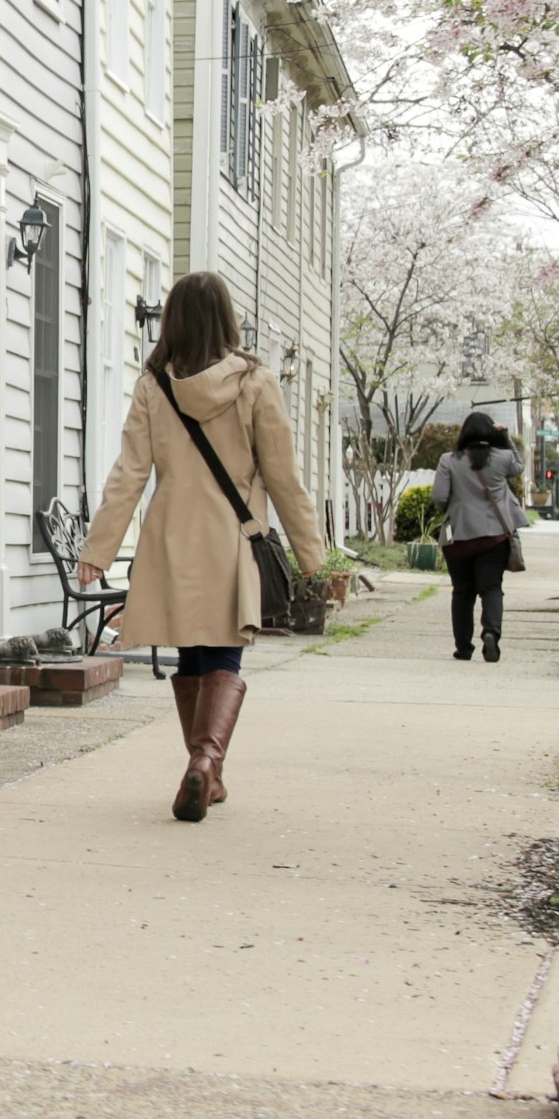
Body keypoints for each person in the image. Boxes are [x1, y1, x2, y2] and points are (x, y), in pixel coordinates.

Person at [73, 271, 330, 824]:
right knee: (224, 649)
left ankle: (205, 768)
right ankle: (207, 760)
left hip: (170, 539)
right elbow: (283, 478)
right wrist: (315, 557)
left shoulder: (152, 385)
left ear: (173, 321)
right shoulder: (256, 383)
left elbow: (129, 474)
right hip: (231, 539)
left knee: (192, 651)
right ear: (226, 318)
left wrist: (99, 548)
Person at [435, 410, 527, 663]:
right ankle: (491, 633)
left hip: (459, 537)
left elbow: (439, 497)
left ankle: (463, 647)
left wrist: (455, 509)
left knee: (462, 592)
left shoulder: (448, 460)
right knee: (491, 588)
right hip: (494, 537)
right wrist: (506, 438)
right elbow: (519, 467)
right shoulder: (503, 458)